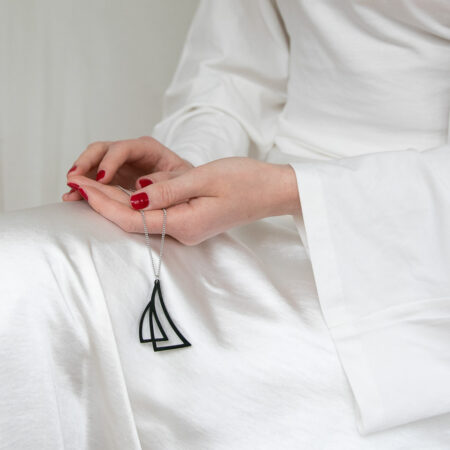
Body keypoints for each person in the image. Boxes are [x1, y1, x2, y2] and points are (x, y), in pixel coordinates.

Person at [1, 1, 449, 448]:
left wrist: (287, 189)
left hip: (411, 233)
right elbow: (233, 74)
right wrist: (187, 173)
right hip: (248, 203)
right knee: (18, 271)